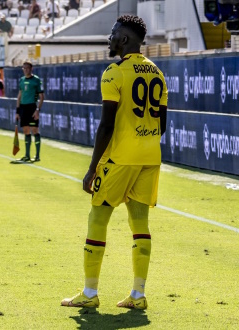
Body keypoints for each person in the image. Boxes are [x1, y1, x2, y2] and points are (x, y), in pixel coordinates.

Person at [61, 15, 167, 311]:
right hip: (150, 157)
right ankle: (138, 295)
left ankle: (90, 293)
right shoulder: (157, 73)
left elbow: (106, 125)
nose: (109, 39)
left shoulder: (114, 72)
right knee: (140, 225)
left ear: (124, 39)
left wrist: (92, 168)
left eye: (113, 34)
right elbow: (163, 124)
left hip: (121, 158)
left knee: (98, 218)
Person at [14, 62, 44, 162]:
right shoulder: (22, 80)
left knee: (35, 130)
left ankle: (37, 155)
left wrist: (37, 110)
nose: (26, 70)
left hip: (32, 107)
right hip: (23, 108)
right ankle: (27, 155)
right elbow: (19, 96)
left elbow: (42, 97)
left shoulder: (36, 80)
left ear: (31, 69)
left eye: (28, 68)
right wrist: (17, 112)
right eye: (24, 68)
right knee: (26, 131)